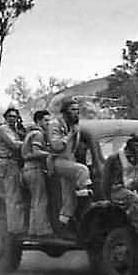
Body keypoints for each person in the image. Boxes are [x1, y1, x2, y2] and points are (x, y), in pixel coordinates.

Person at [47, 96, 93, 229]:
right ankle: (85, 199)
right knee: (82, 170)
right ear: (65, 111)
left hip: (70, 161)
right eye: (73, 110)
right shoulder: (55, 124)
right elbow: (56, 146)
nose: (76, 113)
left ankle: (63, 226)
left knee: (69, 200)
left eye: (78, 110)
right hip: (58, 161)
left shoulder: (75, 126)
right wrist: (70, 135)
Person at [0, 107, 27, 237]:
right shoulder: (4, 129)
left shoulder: (15, 130)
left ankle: (18, 226)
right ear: (6, 118)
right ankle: (15, 228)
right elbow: (13, 144)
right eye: (10, 116)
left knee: (17, 196)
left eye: (15, 116)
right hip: (7, 163)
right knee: (13, 196)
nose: (12, 119)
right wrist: (29, 142)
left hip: (14, 163)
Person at [21, 109, 53, 238]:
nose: (48, 123)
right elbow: (36, 151)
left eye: (49, 120)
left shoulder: (31, 132)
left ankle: (33, 229)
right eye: (46, 120)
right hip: (34, 168)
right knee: (41, 200)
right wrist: (51, 154)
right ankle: (42, 230)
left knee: (35, 200)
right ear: (38, 121)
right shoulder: (38, 134)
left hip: (28, 169)